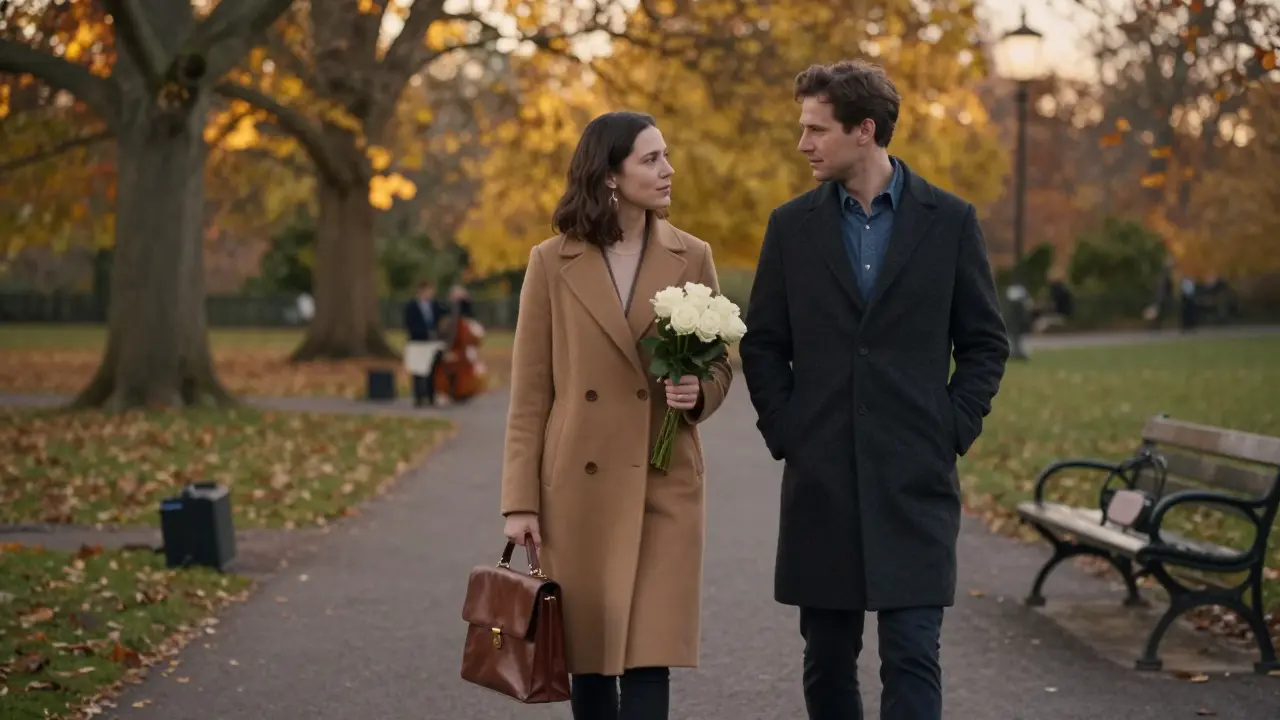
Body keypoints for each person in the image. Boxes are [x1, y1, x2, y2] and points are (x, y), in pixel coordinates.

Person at [738, 60, 1009, 720]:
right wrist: (788, 430)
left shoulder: (948, 221)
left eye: (815, 130)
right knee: (826, 659)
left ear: (865, 130)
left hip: (914, 476)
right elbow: (764, 343)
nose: (803, 144)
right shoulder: (790, 227)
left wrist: (950, 426)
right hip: (821, 477)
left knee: (913, 652)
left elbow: (984, 343)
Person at [499, 110, 733, 720]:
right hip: (578, 484)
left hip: (665, 477)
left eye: (666, 155)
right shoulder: (551, 262)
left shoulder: (693, 255)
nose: (667, 169)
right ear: (609, 175)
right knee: (592, 657)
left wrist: (698, 390)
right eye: (651, 159)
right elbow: (529, 394)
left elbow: (724, 359)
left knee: (650, 652)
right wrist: (520, 502)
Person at [403, 280, 445, 407]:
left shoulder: (435, 305)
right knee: (418, 371)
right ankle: (418, 397)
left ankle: (431, 396)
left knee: (432, 370)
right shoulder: (411, 306)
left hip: (432, 342)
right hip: (418, 342)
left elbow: (445, 316)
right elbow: (409, 324)